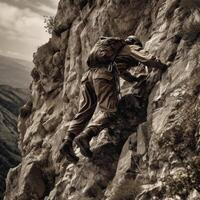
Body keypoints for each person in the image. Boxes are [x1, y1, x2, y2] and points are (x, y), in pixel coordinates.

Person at [60, 36, 167, 163]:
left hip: (87, 76)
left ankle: (67, 141)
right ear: (134, 43)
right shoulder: (130, 48)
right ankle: (86, 136)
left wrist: (134, 79)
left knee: (84, 112)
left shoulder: (112, 53)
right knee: (110, 112)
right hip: (102, 75)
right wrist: (162, 66)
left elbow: (122, 73)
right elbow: (145, 57)